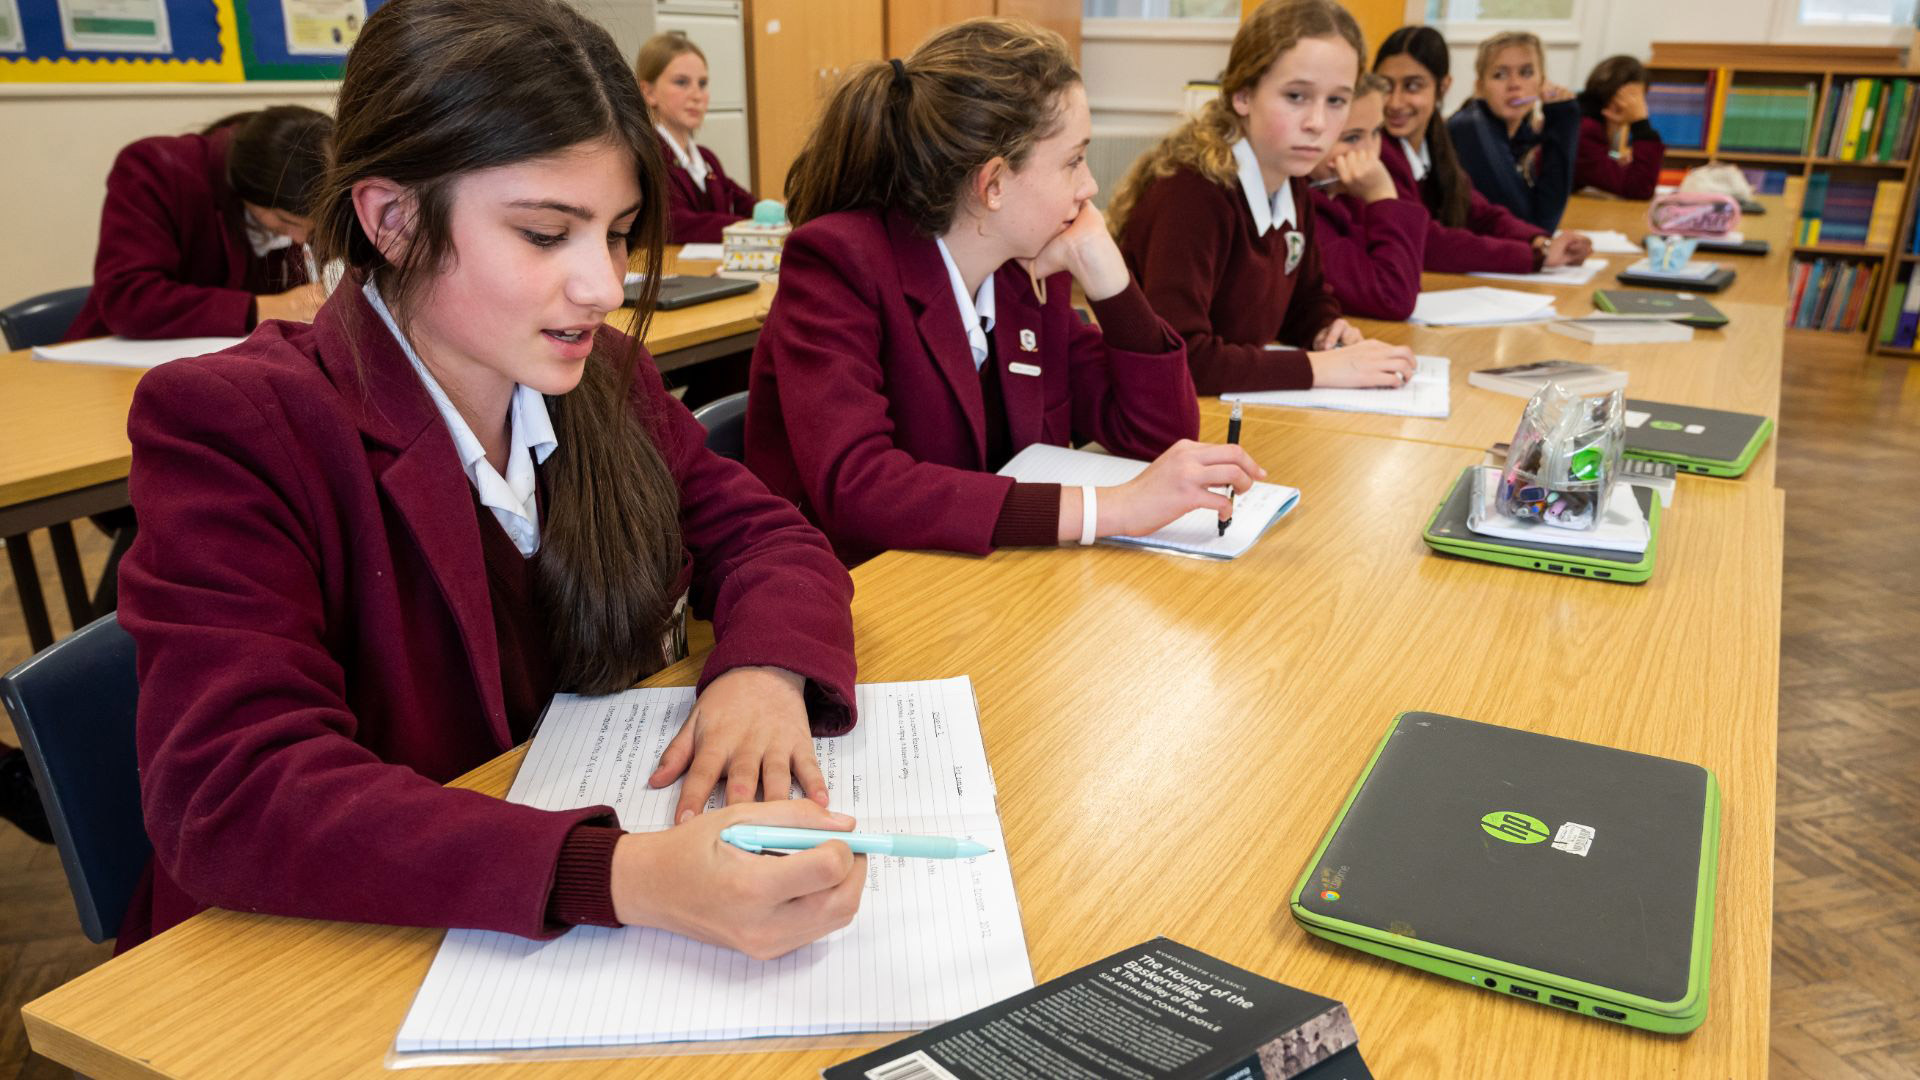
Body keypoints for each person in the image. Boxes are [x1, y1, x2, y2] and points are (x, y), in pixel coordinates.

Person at [115, 0, 865, 959]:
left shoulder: (605, 381)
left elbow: (770, 536)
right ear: (391, 219)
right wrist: (623, 874)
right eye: (548, 235)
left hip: (517, 925)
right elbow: (238, 793)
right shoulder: (237, 422)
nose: (602, 285)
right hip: (317, 957)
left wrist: (764, 672)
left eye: (619, 233)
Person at [746, 18, 1261, 566]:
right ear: (993, 184)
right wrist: (1107, 510)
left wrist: (1108, 275)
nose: (1089, 186)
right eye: (1073, 160)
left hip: (984, 582)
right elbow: (861, 487)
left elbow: (1157, 433)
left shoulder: (1023, 272)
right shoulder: (838, 262)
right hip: (861, 592)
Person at [1111, 0, 1414, 394]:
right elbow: (1183, 356)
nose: (1318, 123)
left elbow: (1305, 299)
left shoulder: (1290, 180)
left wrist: (1326, 330)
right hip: (1168, 419)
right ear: (1242, 95)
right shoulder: (1191, 194)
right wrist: (1321, 368)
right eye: (1296, 96)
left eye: (1336, 100)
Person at [65, 106, 332, 341]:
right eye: (285, 220)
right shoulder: (155, 169)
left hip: (231, 364)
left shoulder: (315, 200)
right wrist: (265, 308)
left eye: (312, 228)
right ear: (246, 186)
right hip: (107, 365)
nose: (299, 239)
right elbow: (128, 299)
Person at [1373, 26, 1590, 275]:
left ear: (1443, 87)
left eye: (1412, 86)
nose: (1394, 102)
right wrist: (1535, 254)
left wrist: (1539, 241)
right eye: (1385, 86)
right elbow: (1426, 241)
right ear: (1479, 86)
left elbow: (1479, 211)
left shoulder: (1433, 141)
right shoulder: (1381, 149)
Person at [1304, 71, 1427, 321]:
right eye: (1351, 138)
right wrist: (1382, 197)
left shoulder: (1345, 192)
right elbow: (1392, 297)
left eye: (1376, 132)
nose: (1370, 153)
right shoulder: (1304, 209)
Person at [1447, 30, 1580, 232]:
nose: (1515, 85)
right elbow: (1536, 225)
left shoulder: (1520, 134)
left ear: (1542, 82)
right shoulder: (1470, 127)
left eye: (1526, 73)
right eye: (1499, 75)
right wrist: (1563, 119)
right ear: (1480, 87)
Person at [636, 31, 758, 243]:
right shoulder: (646, 155)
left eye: (702, 84)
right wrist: (746, 227)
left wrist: (779, 216)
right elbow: (674, 223)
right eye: (682, 82)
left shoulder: (706, 159)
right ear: (648, 92)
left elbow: (746, 204)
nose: (696, 95)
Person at [1575, 55, 1663, 199]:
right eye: (1637, 99)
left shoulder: (1585, 122)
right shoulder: (1587, 131)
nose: (1640, 106)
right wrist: (1641, 122)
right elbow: (1640, 188)